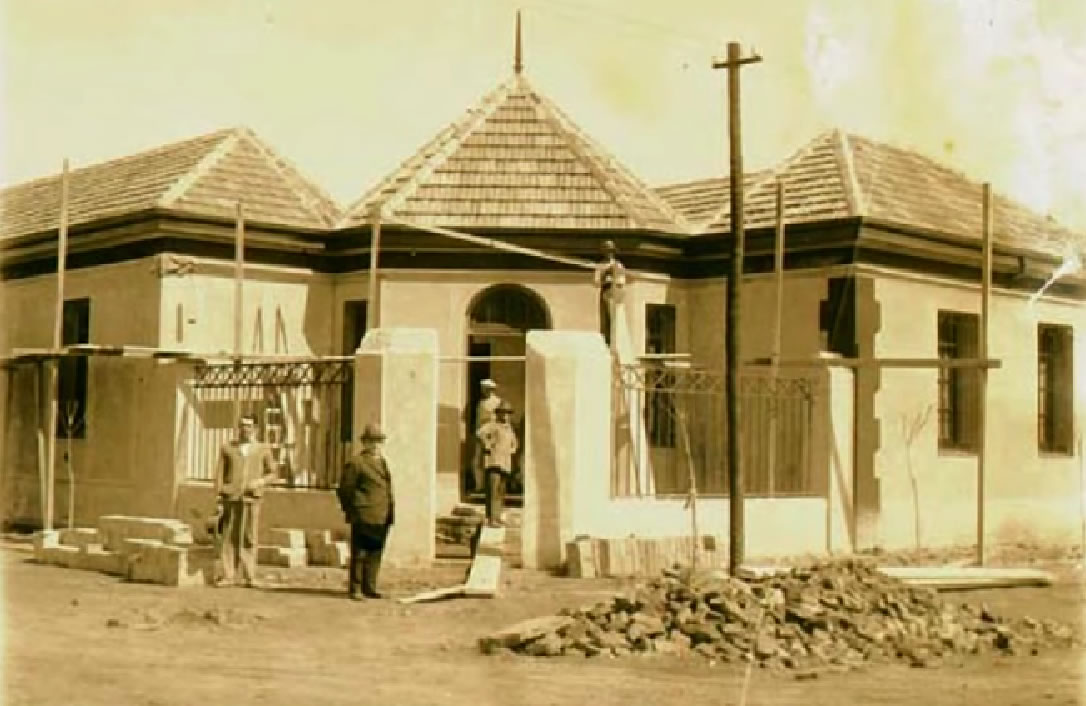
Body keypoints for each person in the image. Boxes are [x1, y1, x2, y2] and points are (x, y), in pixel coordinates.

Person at [212, 414, 278, 588]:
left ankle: (250, 576)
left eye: (248, 426)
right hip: (230, 497)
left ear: (255, 428)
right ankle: (228, 575)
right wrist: (218, 497)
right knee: (228, 536)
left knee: (249, 536)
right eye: (242, 425)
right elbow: (219, 475)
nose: (244, 429)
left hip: (251, 498)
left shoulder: (263, 448)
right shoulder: (228, 448)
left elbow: (273, 473)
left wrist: (260, 482)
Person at [337, 423, 395, 601]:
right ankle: (355, 588)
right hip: (363, 514)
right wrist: (352, 510)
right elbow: (345, 489)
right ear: (365, 443)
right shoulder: (357, 463)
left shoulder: (382, 462)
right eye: (372, 441)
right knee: (360, 553)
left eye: (379, 441)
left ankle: (370, 586)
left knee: (375, 552)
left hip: (382, 514)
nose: (376, 445)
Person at [476, 402, 518, 527]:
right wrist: (487, 444)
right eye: (503, 413)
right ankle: (491, 518)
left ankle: (498, 516)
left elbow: (514, 442)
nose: (505, 416)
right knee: (493, 491)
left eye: (507, 413)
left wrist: (513, 449)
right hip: (494, 462)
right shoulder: (493, 425)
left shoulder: (509, 428)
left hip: (505, 463)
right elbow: (480, 433)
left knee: (501, 491)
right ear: (498, 414)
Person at [593, 240, 627, 347]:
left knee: (616, 319)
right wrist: (604, 278)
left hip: (615, 292)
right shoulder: (601, 265)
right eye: (606, 251)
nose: (608, 253)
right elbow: (596, 281)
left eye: (610, 251)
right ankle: (606, 342)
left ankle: (616, 343)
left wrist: (614, 279)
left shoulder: (618, 265)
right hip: (605, 291)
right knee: (605, 318)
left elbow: (622, 281)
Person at [472, 379, 502, 494]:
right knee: (477, 460)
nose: (483, 391)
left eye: (485, 388)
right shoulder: (480, 403)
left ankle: (494, 487)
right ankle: (479, 485)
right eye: (482, 388)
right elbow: (478, 420)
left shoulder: (497, 402)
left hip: (493, 434)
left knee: (493, 461)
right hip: (481, 434)